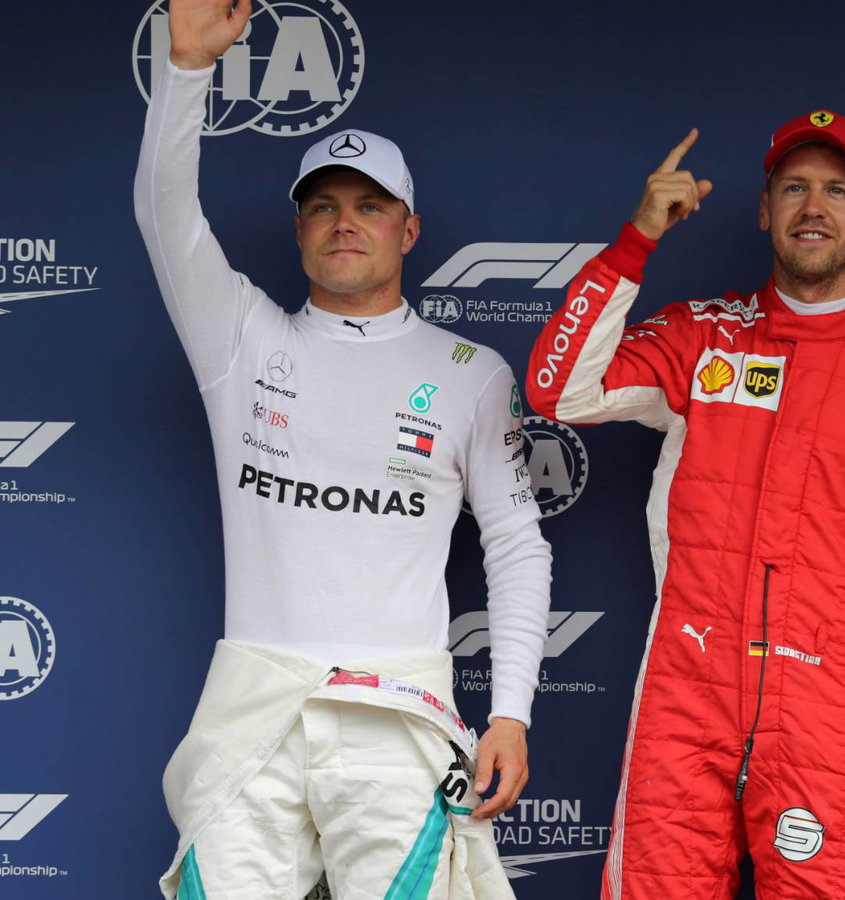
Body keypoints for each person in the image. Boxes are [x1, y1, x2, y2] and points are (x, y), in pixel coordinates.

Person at [134, 2, 552, 897]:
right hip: (254, 713)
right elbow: (166, 218)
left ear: (408, 228)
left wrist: (511, 714)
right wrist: (186, 71)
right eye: (322, 206)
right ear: (298, 230)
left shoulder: (471, 373)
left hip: (399, 714)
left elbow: (517, 545)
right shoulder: (241, 340)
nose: (344, 222)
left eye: (369, 205)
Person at [526, 110, 845, 898]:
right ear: (764, 210)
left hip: (824, 712)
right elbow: (558, 390)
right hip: (683, 700)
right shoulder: (702, 336)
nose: (813, 207)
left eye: (836, 191)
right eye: (793, 188)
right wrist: (636, 240)